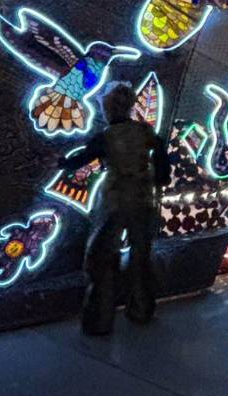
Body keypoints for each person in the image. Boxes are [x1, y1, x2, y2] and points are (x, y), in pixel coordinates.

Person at [61, 85, 170, 335]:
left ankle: (99, 319)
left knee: (100, 258)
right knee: (140, 255)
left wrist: (63, 163)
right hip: (143, 198)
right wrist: (160, 176)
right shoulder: (144, 131)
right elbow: (160, 152)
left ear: (107, 108)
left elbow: (82, 158)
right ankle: (141, 309)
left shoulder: (107, 136)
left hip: (114, 200)